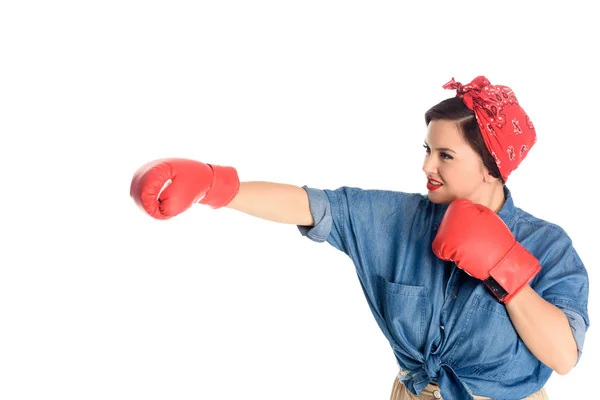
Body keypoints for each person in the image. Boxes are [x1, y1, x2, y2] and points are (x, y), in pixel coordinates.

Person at [129, 76, 590, 400]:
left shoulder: (548, 245)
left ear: (492, 166)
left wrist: (506, 268)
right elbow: (311, 204)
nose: (427, 167)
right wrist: (214, 185)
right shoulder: (398, 219)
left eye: (445, 155)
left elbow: (564, 357)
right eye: (426, 150)